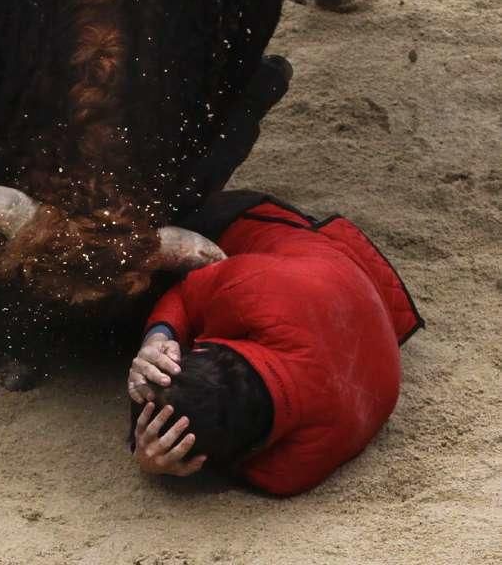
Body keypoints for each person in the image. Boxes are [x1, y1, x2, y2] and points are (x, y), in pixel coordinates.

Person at [127, 191, 424, 496]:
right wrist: (158, 338)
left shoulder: (289, 473)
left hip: (333, 301)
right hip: (269, 251)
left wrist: (153, 464)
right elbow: (187, 295)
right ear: (200, 346)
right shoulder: (255, 294)